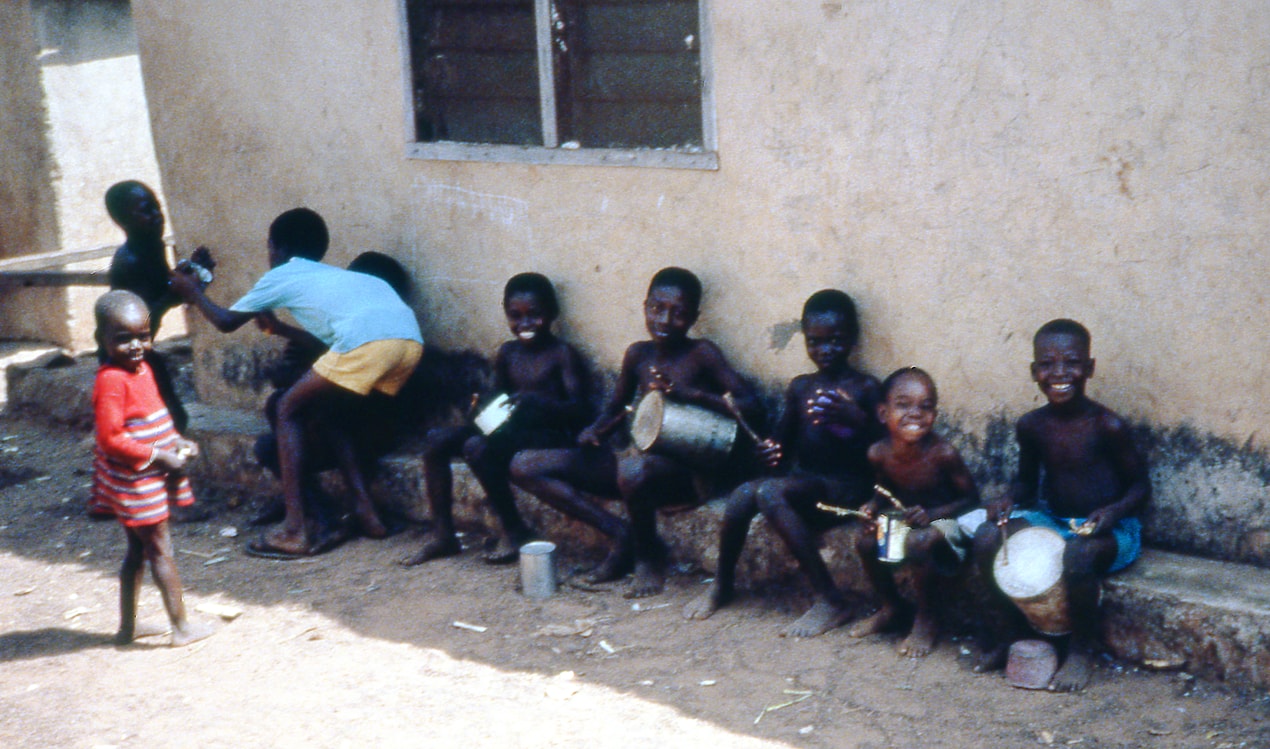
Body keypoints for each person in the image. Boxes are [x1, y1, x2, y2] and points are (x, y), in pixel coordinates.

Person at [170, 208, 424, 557]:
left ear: (275, 247)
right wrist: (279, 328)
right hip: (409, 342)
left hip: (367, 342)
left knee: (287, 406)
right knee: (328, 411)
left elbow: (226, 321)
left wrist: (192, 290)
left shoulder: (283, 275)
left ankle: (296, 529)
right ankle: (367, 512)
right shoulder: (338, 279)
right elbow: (350, 337)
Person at [512, 267, 760, 598]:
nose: (665, 320)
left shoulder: (702, 354)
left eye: (678, 313)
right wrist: (596, 430)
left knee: (633, 469)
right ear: (645, 306)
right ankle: (621, 533)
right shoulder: (638, 354)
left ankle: (648, 557)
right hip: (634, 463)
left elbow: (751, 405)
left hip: (684, 474)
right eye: (657, 308)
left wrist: (691, 396)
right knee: (524, 465)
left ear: (693, 317)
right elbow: (615, 408)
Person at [684, 289, 881, 636]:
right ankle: (722, 583)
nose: (825, 350)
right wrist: (769, 453)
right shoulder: (800, 388)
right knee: (745, 493)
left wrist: (858, 419)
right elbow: (780, 447)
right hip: (809, 485)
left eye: (836, 340)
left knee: (771, 494)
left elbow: (885, 449)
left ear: (852, 338)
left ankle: (831, 600)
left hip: (847, 491)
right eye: (815, 342)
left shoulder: (865, 388)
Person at [971, 319, 1150, 691]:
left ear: (1089, 368)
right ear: (1034, 372)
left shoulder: (1107, 426)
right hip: (1052, 519)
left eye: (1071, 363)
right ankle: (1010, 635)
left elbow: (1140, 487)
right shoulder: (1031, 426)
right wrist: (1009, 499)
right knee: (988, 538)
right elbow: (1026, 482)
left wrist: (1113, 512)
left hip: (1111, 529)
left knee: (1078, 556)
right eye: (1047, 364)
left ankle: (1081, 649)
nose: (1059, 373)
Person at [403, 272, 591, 566]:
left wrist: (536, 402)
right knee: (436, 441)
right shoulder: (507, 353)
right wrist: (480, 407)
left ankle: (514, 529)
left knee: (477, 448)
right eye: (516, 316)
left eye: (534, 315)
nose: (525, 325)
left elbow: (581, 410)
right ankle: (443, 535)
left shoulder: (561, 354)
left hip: (548, 434)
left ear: (552, 313)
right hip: (509, 429)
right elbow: (498, 398)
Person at [247, 251, 414, 553]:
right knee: (286, 425)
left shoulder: (375, 342)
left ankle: (314, 522)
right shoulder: (390, 336)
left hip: (364, 441)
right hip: (339, 437)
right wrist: (283, 332)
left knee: (290, 419)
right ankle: (342, 513)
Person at [91, 290, 215, 647]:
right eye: (123, 338)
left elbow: (155, 418)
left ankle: (127, 628)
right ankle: (181, 628)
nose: (135, 346)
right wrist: (160, 457)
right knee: (161, 550)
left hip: (142, 473)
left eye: (143, 336)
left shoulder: (143, 369)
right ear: (101, 340)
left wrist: (176, 441)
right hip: (134, 478)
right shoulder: (112, 380)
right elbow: (111, 439)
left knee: (137, 550)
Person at [849, 367, 979, 656]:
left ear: (935, 413)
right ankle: (892, 607)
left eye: (926, 406)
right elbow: (882, 492)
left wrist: (933, 514)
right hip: (912, 520)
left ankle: (927, 618)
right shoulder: (878, 454)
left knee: (919, 540)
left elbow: (971, 499)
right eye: (903, 405)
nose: (915, 413)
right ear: (883, 413)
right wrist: (871, 507)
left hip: (950, 523)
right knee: (865, 541)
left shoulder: (943, 453)